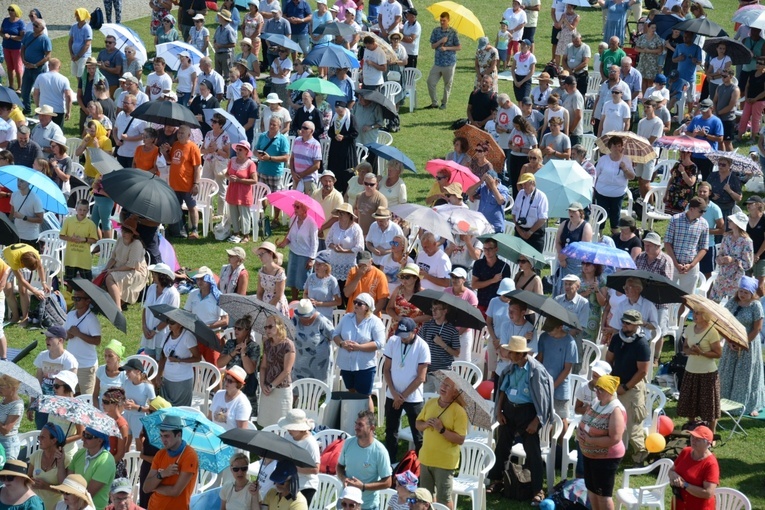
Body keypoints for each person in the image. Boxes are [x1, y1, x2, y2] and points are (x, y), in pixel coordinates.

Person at [487, 337, 554, 503]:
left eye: (512, 352)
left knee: (533, 451)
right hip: (510, 410)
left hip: (528, 413)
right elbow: (503, 389)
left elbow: (543, 398)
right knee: (502, 445)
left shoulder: (536, 370)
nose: (509, 354)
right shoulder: (511, 368)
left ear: (521, 354)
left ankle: (538, 490)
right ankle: (497, 480)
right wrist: (499, 411)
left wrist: (536, 421)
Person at [605, 310, 649, 465]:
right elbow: (609, 358)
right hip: (616, 385)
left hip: (633, 387)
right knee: (615, 422)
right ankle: (616, 453)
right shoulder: (617, 338)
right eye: (624, 322)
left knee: (633, 425)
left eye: (628, 323)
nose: (625, 325)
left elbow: (642, 371)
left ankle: (639, 457)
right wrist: (611, 381)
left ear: (637, 325)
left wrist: (626, 387)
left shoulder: (642, 344)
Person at [382, 317, 429, 462]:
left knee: (418, 434)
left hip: (413, 397)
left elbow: (421, 377)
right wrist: (395, 394)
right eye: (400, 335)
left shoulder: (422, 346)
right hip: (393, 394)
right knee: (391, 430)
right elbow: (386, 369)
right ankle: (390, 462)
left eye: (405, 335)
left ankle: (420, 465)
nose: (402, 339)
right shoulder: (393, 341)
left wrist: (401, 397)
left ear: (414, 331)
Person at [577, 374, 627, 510]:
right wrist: (580, 431)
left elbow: (614, 438)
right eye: (596, 389)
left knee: (603, 495)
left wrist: (590, 440)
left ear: (610, 391)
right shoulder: (596, 403)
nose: (597, 392)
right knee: (592, 490)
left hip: (606, 457)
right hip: (589, 454)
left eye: (601, 390)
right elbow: (586, 420)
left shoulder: (615, 409)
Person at [719, 276, 765, 416]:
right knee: (727, 373)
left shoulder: (755, 306)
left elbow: (757, 329)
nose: (742, 294)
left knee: (746, 376)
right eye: (740, 291)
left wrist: (743, 344)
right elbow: (724, 322)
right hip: (731, 343)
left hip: (748, 345)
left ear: (752, 293)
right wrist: (729, 341)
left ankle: (750, 404)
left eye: (745, 292)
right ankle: (724, 402)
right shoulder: (733, 303)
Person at [337, 411, 392, 510]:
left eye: (360, 425)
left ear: (372, 428)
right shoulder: (348, 443)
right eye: (356, 423)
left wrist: (363, 486)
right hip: (346, 503)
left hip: (367, 506)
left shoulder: (380, 451)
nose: (356, 427)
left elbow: (388, 482)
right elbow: (339, 466)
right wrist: (343, 478)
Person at [143, 415, 199, 510]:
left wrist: (154, 486)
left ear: (179, 435)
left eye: (167, 436)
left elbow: (175, 492)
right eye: (161, 436)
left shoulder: (189, 455)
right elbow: (145, 488)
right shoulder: (160, 454)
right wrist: (163, 474)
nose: (163, 440)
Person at [333, 293, 385, 396]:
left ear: (367, 307)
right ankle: (354, 412)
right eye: (355, 302)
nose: (356, 305)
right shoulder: (347, 317)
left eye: (360, 303)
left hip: (364, 365)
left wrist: (359, 347)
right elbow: (335, 334)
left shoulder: (375, 322)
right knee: (352, 392)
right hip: (346, 363)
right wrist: (342, 343)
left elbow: (380, 343)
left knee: (364, 396)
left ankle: (368, 413)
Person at [664, 196, 709, 296]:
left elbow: (704, 247)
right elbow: (667, 243)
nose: (703, 213)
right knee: (667, 295)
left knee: (688, 299)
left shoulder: (704, 224)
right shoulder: (675, 219)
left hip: (691, 267)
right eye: (701, 211)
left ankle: (681, 313)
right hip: (672, 265)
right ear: (691, 209)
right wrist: (676, 263)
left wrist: (691, 265)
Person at [668, 425, 718, 510]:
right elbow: (671, 471)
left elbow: (708, 493)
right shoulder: (685, 451)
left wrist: (684, 485)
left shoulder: (711, 464)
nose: (693, 440)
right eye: (692, 437)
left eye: (698, 439)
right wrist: (675, 477)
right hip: (680, 504)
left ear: (708, 443)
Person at [156, 315, 201, 407]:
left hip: (183, 380)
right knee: (167, 408)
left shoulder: (188, 337)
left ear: (180, 324)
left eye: (172, 322)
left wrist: (179, 360)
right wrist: (158, 375)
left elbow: (197, 358)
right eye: (168, 321)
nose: (169, 324)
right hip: (167, 379)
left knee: (181, 410)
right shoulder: (166, 336)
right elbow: (163, 357)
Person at [258, 315, 295, 427]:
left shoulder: (288, 345)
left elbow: (286, 371)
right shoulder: (267, 343)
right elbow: (263, 366)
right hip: (267, 388)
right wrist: (262, 384)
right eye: (265, 327)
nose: (267, 330)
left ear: (279, 326)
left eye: (270, 326)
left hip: (281, 390)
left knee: (282, 425)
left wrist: (271, 386)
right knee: (266, 424)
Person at [67, 426, 116, 510]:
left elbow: (88, 494)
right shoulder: (80, 453)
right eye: (83, 434)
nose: (83, 438)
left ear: (100, 440)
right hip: (72, 505)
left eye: (88, 436)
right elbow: (68, 482)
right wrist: (60, 461)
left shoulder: (106, 461)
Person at [593, 136, 635, 232]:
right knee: (601, 214)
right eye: (614, 146)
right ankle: (599, 233)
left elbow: (632, 177)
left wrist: (625, 169)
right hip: (602, 191)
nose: (617, 148)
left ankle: (614, 233)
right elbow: (596, 175)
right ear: (610, 147)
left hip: (618, 193)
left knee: (615, 215)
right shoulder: (603, 159)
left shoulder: (626, 160)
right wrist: (593, 189)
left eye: (619, 146)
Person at [104, 224, 149, 310]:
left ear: (133, 234)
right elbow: (113, 257)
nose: (124, 233)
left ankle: (117, 307)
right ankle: (114, 303)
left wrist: (113, 270)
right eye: (123, 231)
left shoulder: (136, 244)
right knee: (104, 275)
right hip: (120, 268)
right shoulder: (120, 239)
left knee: (109, 278)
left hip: (136, 271)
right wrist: (106, 269)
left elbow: (131, 265)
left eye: (127, 232)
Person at [140, 264, 180, 360]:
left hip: (163, 335)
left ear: (162, 276)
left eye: (154, 274)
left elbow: (171, 316)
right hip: (149, 333)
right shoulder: (151, 288)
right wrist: (144, 327)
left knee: (161, 361)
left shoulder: (173, 294)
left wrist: (156, 330)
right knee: (150, 361)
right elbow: (145, 308)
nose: (152, 276)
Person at [711, 213, 753, 302]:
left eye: (731, 221)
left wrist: (733, 260)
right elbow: (720, 254)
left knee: (732, 307)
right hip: (722, 275)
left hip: (735, 278)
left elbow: (748, 264)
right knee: (713, 303)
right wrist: (719, 259)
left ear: (737, 224)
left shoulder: (746, 241)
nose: (728, 222)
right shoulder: (726, 237)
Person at [325, 203, 365, 299]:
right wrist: (334, 247)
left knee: (347, 293)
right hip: (334, 263)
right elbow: (328, 240)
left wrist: (345, 251)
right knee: (336, 291)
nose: (340, 216)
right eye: (339, 213)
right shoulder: (335, 225)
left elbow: (360, 246)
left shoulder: (356, 228)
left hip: (348, 264)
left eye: (343, 213)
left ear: (349, 215)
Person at [27, 422, 68, 510]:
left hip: (54, 506)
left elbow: (66, 490)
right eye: (39, 437)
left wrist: (46, 486)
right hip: (33, 505)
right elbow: (27, 477)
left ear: (54, 440)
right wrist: (30, 481)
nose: (39, 439)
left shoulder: (66, 461)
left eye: (43, 437)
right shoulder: (36, 455)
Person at [426, 12, 461, 110]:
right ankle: (434, 102)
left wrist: (447, 48)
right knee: (430, 82)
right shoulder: (436, 31)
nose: (442, 22)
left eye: (444, 20)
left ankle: (444, 103)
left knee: (447, 84)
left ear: (448, 20)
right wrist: (441, 41)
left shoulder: (453, 32)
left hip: (449, 63)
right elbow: (433, 46)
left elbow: (459, 47)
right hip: (438, 62)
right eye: (441, 20)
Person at [512, 173, 548, 253]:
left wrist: (530, 232)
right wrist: (518, 229)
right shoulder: (520, 193)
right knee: (519, 259)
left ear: (533, 183)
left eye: (525, 184)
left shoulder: (541, 196)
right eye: (522, 184)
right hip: (520, 230)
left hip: (535, 234)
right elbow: (514, 213)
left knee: (533, 260)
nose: (523, 186)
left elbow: (542, 219)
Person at [210, 365, 252, 431]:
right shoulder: (218, 394)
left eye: (230, 381)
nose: (226, 382)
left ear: (238, 384)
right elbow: (209, 418)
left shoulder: (243, 403)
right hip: (213, 435)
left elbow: (242, 431)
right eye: (225, 379)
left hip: (230, 439)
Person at [708, 156, 742, 221]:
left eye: (723, 165)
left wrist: (729, 191)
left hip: (727, 210)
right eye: (719, 164)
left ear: (729, 166)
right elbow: (705, 188)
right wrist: (711, 194)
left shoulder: (734, 179)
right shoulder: (713, 175)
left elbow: (739, 198)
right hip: (712, 207)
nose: (720, 166)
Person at [0, 374, 23, 461]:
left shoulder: (17, 405)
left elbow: (6, 430)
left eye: (2, 386)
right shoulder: (3, 400)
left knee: (6, 473)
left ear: (12, 388)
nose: (0, 388)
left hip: (8, 445)